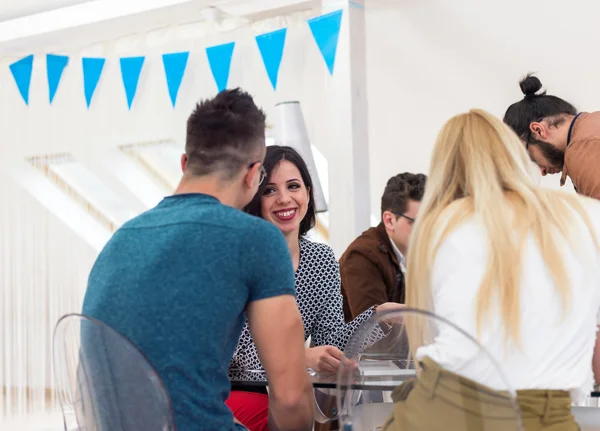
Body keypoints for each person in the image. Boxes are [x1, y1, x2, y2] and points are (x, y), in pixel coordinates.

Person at [82, 90, 314, 431]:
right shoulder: (256, 239)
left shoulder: (121, 238)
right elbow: (292, 398)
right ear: (253, 174)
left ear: (185, 163)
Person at [383, 109, 600, 431]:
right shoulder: (586, 216)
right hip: (548, 415)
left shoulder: (441, 225)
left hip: (447, 404)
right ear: (514, 152)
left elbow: (430, 331)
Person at [226, 145, 401, 431]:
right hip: (234, 393)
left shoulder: (320, 260)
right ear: (255, 199)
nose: (284, 199)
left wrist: (379, 318)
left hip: (286, 394)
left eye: (293, 186)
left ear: (307, 192)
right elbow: (239, 357)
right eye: (269, 190)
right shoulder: (240, 259)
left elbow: (329, 342)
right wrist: (301, 357)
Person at [339, 173, 426, 321]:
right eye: (418, 222)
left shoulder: (413, 252)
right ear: (390, 220)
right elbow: (372, 333)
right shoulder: (362, 256)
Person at [504, 74, 600, 199]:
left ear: (538, 130)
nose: (541, 172)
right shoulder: (593, 122)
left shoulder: (581, 151)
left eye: (530, 157)